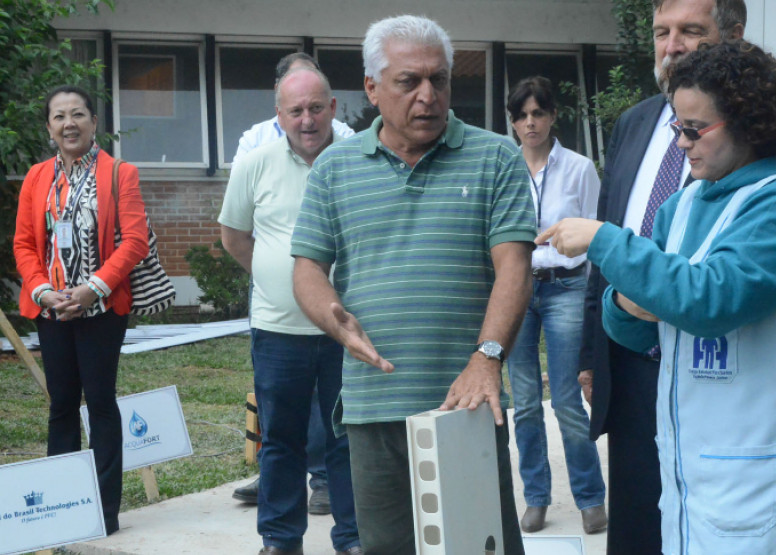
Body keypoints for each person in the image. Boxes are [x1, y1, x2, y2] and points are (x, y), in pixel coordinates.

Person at [543, 40, 776, 554]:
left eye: (695, 129)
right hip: (690, 476)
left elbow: (709, 300)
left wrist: (605, 241)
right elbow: (633, 322)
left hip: (762, 476)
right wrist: (629, 302)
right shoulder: (682, 205)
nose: (681, 142)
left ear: (750, 122)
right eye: (678, 125)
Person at [290, 15, 534, 555]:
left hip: (468, 404)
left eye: (440, 80)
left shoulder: (495, 157)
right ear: (373, 89)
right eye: (409, 82)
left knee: (480, 545)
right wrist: (332, 316)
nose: (428, 95)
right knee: (388, 547)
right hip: (374, 401)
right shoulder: (334, 168)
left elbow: (514, 267)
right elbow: (306, 267)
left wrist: (487, 357)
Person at [218, 67, 361, 555]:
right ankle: (280, 541)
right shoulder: (254, 163)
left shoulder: (359, 159)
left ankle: (354, 539)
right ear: (279, 116)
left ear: (334, 108)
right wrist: (275, 277)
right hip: (277, 331)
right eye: (295, 111)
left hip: (347, 329)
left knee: (348, 437)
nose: (307, 120)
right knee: (279, 439)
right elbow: (235, 238)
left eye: (316, 108)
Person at [14, 85, 150, 536]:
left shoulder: (119, 173)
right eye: (58, 116)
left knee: (101, 404)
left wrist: (93, 289)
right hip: (51, 311)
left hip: (102, 310)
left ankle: (105, 513)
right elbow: (25, 244)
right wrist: (41, 291)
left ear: (94, 122)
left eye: (77, 114)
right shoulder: (36, 178)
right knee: (61, 407)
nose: (68, 123)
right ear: (49, 128)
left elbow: (134, 242)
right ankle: (62, 509)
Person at [503, 76, 606, 535]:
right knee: (524, 401)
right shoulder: (504, 166)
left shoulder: (580, 168)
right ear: (512, 122)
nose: (530, 123)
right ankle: (536, 496)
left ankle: (589, 497)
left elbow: (597, 232)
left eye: (538, 113)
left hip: (566, 286)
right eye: (522, 115)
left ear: (552, 117)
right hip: (518, 286)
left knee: (565, 399)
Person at [234, 52, 354, 164]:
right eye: (296, 79)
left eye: (316, 108)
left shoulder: (346, 137)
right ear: (278, 89)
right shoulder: (254, 141)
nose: (307, 121)